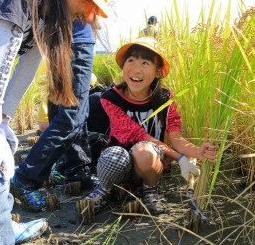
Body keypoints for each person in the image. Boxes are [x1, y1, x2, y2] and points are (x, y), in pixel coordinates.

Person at [0, 0, 111, 245]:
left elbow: (25, 66)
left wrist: (3, 120)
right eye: (89, 2)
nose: (89, 16)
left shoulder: (48, 15)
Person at [8, 0, 101, 211]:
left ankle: (75, 169)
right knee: (73, 115)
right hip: (76, 36)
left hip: (56, 38)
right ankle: (26, 177)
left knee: (68, 109)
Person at [83, 37, 217, 214]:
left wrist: (197, 151)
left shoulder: (165, 99)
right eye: (130, 60)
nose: (136, 69)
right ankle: (106, 188)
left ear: (158, 72)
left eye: (145, 62)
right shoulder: (110, 98)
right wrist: (181, 158)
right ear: (123, 66)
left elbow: (176, 138)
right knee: (114, 155)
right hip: (118, 166)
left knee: (145, 151)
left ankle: (151, 189)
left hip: (150, 166)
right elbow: (138, 134)